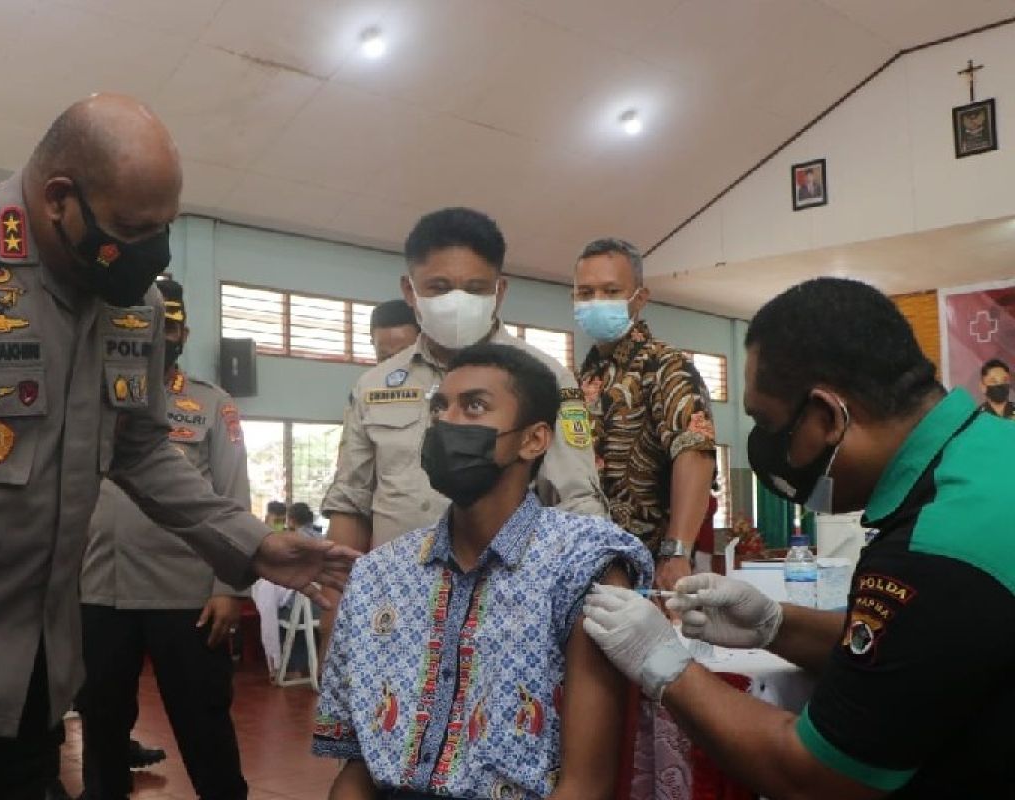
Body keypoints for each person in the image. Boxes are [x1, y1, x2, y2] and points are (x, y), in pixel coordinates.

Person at [0, 94, 356, 800]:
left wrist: (251, 544)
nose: (151, 251)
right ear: (60, 198)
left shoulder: (133, 301)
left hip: (37, 682)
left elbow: (139, 448)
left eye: (165, 228)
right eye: (133, 229)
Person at [583, 277, 1015, 798]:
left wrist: (663, 664)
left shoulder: (937, 548)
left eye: (765, 423)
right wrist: (774, 623)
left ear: (828, 415)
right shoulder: (989, 452)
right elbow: (912, 657)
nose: (762, 448)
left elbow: (815, 778)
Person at [313, 343, 653, 800]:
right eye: (439, 408)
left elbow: (585, 785)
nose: (447, 422)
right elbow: (357, 772)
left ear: (533, 440)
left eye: (474, 406)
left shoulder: (582, 565)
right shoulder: (380, 576)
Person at [320, 208, 607, 656]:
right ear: (409, 291)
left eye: (475, 288)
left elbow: (576, 502)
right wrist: (335, 616)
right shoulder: (374, 386)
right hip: (395, 611)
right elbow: (352, 505)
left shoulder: (547, 379)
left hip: (509, 614)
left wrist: (592, 607)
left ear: (500, 290)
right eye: (438, 287)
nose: (456, 300)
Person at [78, 278, 248, 800]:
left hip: (184, 595)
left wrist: (228, 587)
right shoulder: (88, 397)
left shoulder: (210, 404)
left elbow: (233, 496)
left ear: (180, 332)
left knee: (203, 720)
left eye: (168, 327)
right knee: (100, 717)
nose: (158, 336)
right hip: (97, 591)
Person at [573, 238, 716, 590]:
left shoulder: (666, 367)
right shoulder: (581, 378)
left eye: (610, 291)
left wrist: (676, 552)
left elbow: (694, 451)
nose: (597, 302)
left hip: (648, 570)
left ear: (639, 297)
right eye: (586, 292)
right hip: (585, 565)